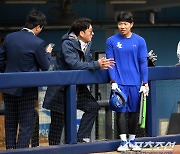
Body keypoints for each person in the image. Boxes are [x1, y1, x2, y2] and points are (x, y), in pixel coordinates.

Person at [43, 17, 115, 145]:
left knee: (92, 106)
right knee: (57, 123)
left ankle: (81, 138)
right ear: (81, 33)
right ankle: (52, 149)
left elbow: (86, 63)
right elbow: (74, 64)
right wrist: (96, 64)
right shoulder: (67, 43)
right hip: (61, 89)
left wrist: (97, 65)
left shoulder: (88, 43)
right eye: (90, 31)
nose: (92, 34)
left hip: (78, 87)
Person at [0, 10, 53, 149]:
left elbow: (0, 61)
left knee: (10, 124)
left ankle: (10, 151)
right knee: (26, 125)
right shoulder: (38, 43)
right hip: (27, 91)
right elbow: (46, 66)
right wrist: (47, 53)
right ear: (38, 27)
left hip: (8, 88)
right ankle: (20, 153)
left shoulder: (9, 38)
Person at [105, 12, 149, 152]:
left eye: (125, 24)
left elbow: (143, 62)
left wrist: (145, 83)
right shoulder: (111, 41)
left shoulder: (140, 41)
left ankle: (132, 140)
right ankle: (123, 142)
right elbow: (110, 63)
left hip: (136, 83)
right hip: (120, 83)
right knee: (121, 112)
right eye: (120, 24)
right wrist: (113, 81)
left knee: (134, 113)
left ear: (131, 24)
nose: (122, 26)